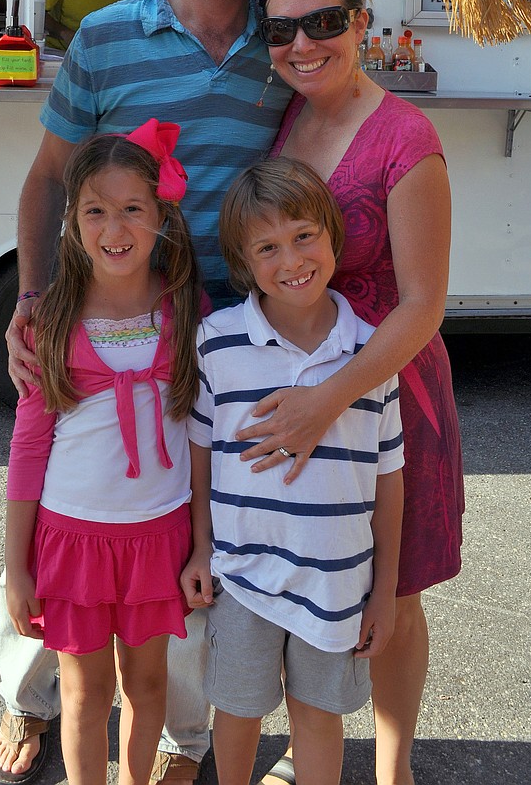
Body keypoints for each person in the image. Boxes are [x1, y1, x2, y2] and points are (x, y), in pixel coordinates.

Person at [0, 0, 294, 784]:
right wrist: (34, 296)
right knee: (66, 516)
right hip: (99, 312)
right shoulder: (112, 34)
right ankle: (27, 702)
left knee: (185, 541)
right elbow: (47, 176)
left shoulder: (283, 46)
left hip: (221, 335)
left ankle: (178, 736)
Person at [248, 0, 464, 785]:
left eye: (326, 22)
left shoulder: (408, 137)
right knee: (318, 583)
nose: (305, 43)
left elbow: (422, 303)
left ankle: (394, 769)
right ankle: (316, 753)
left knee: (395, 595)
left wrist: (325, 399)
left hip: (390, 394)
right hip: (302, 393)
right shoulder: (287, 118)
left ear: (361, 23)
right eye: (284, 28)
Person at [183, 157, 404, 785]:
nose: (292, 260)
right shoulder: (217, 344)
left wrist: (382, 592)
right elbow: (201, 452)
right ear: (244, 263)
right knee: (238, 710)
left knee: (317, 717)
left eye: (304, 235)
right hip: (243, 575)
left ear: (332, 235)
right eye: (268, 247)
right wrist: (201, 549)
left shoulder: (371, 351)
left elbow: (390, 480)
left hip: (337, 584)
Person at [4, 123, 202, 785]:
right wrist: (17, 565)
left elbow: (202, 436)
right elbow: (29, 447)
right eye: (95, 209)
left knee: (148, 684)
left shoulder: (185, 310)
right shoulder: (51, 318)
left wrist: (201, 544)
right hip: (72, 543)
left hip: (158, 537)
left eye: (131, 208)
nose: (114, 227)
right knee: (84, 693)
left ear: (161, 216)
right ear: (71, 221)